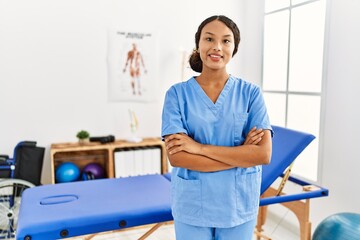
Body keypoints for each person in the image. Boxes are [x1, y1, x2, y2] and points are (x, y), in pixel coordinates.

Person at [161, 15, 273, 240]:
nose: (217, 47)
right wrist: (241, 154)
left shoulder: (251, 94)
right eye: (209, 39)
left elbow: (263, 153)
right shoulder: (177, 94)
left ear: (234, 48)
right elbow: (179, 158)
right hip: (192, 206)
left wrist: (198, 148)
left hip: (238, 206)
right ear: (199, 44)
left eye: (226, 41)